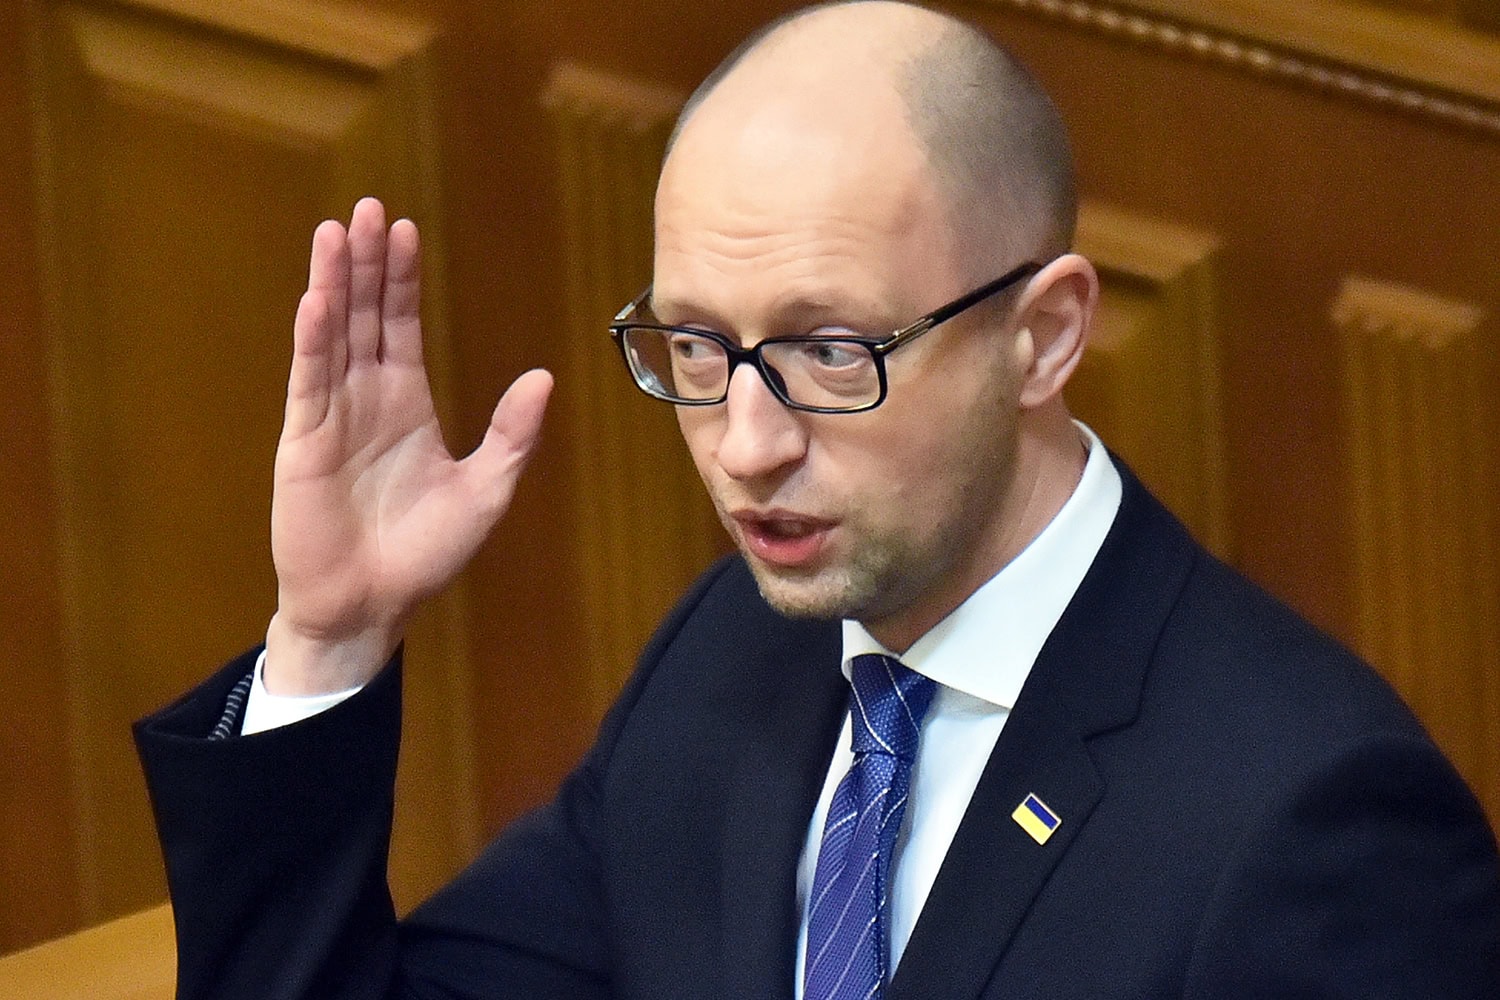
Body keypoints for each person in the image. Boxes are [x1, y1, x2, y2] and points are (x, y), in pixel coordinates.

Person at [134, 2, 1500, 998]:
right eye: (697, 346)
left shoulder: (1310, 823)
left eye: (832, 352)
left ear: (1044, 337)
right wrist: (330, 641)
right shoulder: (733, 659)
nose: (745, 447)